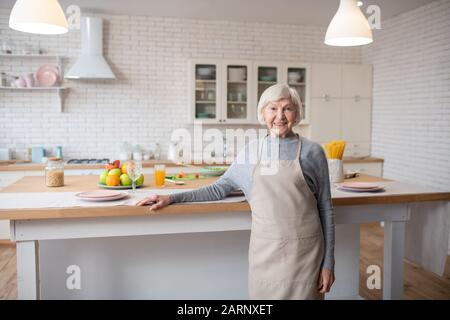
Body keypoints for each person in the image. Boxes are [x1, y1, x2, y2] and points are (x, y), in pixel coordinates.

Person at [136, 84, 335, 299]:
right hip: (265, 254)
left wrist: (328, 263)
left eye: (287, 108)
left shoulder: (313, 152)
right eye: (273, 109)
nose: (280, 116)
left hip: (306, 256)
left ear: (296, 113)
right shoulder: (250, 152)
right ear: (263, 113)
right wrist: (171, 198)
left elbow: (325, 207)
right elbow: (218, 188)